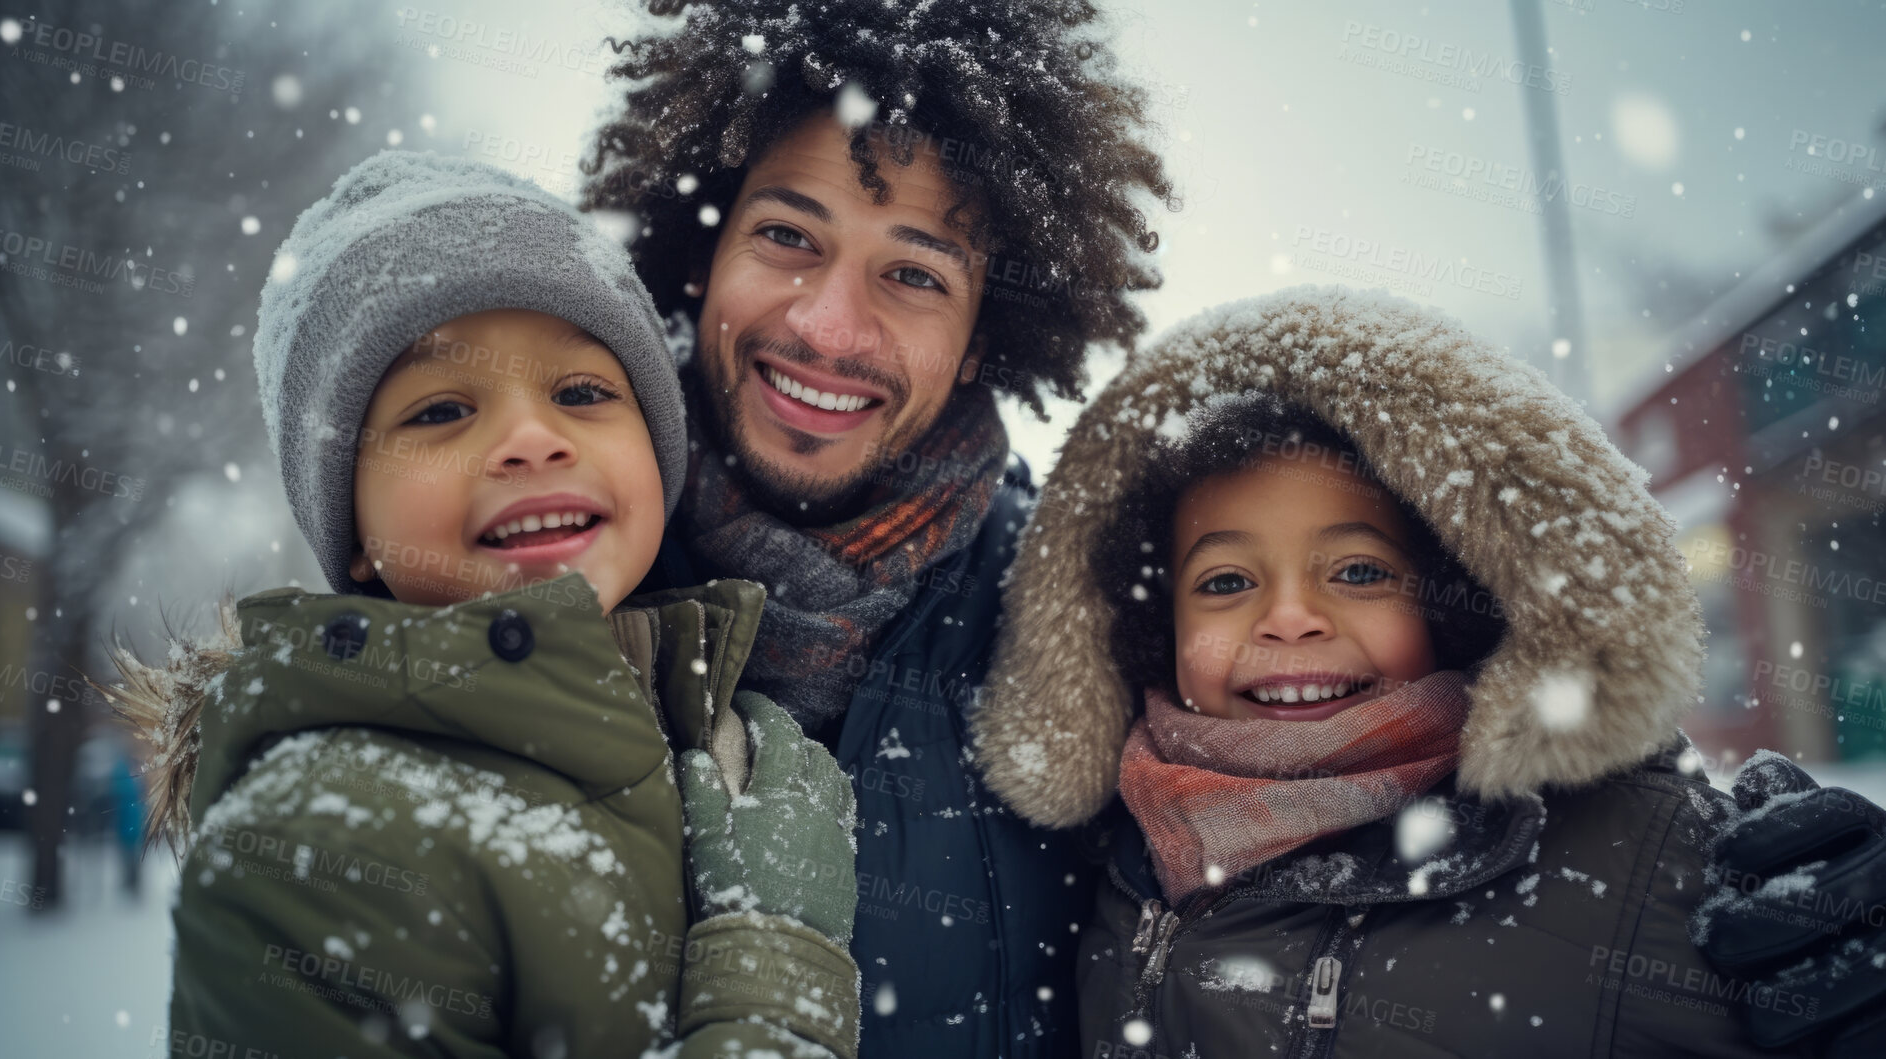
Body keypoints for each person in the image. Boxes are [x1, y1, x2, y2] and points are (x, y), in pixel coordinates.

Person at [973, 285, 1878, 1056]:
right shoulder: (1110, 856)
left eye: (1359, 571)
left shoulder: (1637, 855)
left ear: (1447, 598)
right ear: (1154, 626)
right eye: (1226, 580)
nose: (1288, 617)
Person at [99, 151, 860, 1058]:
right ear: (351, 527)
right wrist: (773, 976)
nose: (532, 439)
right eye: (438, 410)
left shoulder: (725, 737)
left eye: (581, 392)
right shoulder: (318, 843)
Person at [581, 1, 1176, 1053]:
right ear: (698, 253)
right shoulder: (545, 575)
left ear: (983, 336)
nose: (825, 326)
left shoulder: (1098, 628)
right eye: (785, 235)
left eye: (912, 274)